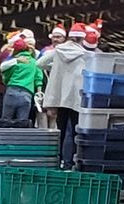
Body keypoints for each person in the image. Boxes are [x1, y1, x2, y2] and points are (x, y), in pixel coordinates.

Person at [40, 22, 88, 163]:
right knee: (74, 131)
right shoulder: (84, 54)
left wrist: (55, 67)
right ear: (81, 39)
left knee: (60, 129)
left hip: (59, 97)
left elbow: (40, 63)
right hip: (75, 98)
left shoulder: (58, 51)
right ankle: (71, 161)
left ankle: (58, 160)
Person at [0, 32, 41, 126]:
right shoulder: (35, 62)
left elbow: (6, 74)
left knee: (5, 123)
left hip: (11, 92)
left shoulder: (14, 61)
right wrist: (38, 91)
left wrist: (6, 82)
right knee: (21, 124)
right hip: (27, 94)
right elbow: (38, 78)